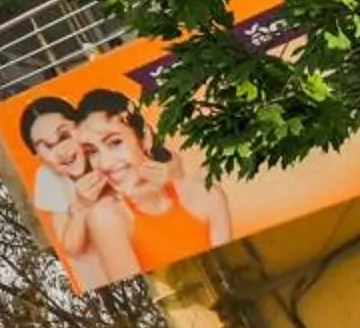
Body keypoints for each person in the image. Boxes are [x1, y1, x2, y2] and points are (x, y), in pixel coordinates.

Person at [72, 87, 234, 281]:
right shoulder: (107, 217)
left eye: (115, 143)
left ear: (145, 136)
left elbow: (230, 269)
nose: (105, 163)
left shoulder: (204, 195)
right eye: (92, 151)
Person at [13, 96, 115, 290]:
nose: (61, 151)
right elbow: (71, 246)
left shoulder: (110, 143)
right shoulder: (50, 180)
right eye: (48, 146)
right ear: (37, 155)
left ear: (82, 127)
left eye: (64, 137)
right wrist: (83, 208)